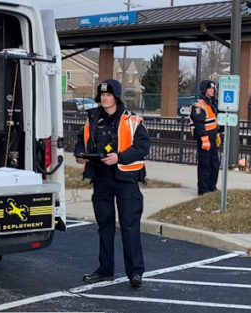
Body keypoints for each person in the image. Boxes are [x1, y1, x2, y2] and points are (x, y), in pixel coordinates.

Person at [74, 79, 150, 289]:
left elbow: (143, 146)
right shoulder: (92, 119)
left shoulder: (132, 120)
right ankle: (105, 270)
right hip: (101, 178)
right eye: (102, 95)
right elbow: (82, 139)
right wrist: (80, 155)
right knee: (105, 227)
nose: (105, 98)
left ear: (116, 97)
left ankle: (135, 272)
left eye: (108, 95)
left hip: (125, 179)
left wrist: (120, 157)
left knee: (129, 226)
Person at [189, 80, 220, 195]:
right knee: (205, 165)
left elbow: (214, 121)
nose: (212, 90)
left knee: (214, 163)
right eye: (209, 88)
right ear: (204, 90)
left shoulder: (213, 103)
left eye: (213, 88)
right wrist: (204, 138)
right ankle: (203, 190)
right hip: (205, 139)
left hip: (212, 137)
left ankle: (212, 187)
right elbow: (199, 123)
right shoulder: (199, 105)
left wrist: (218, 133)